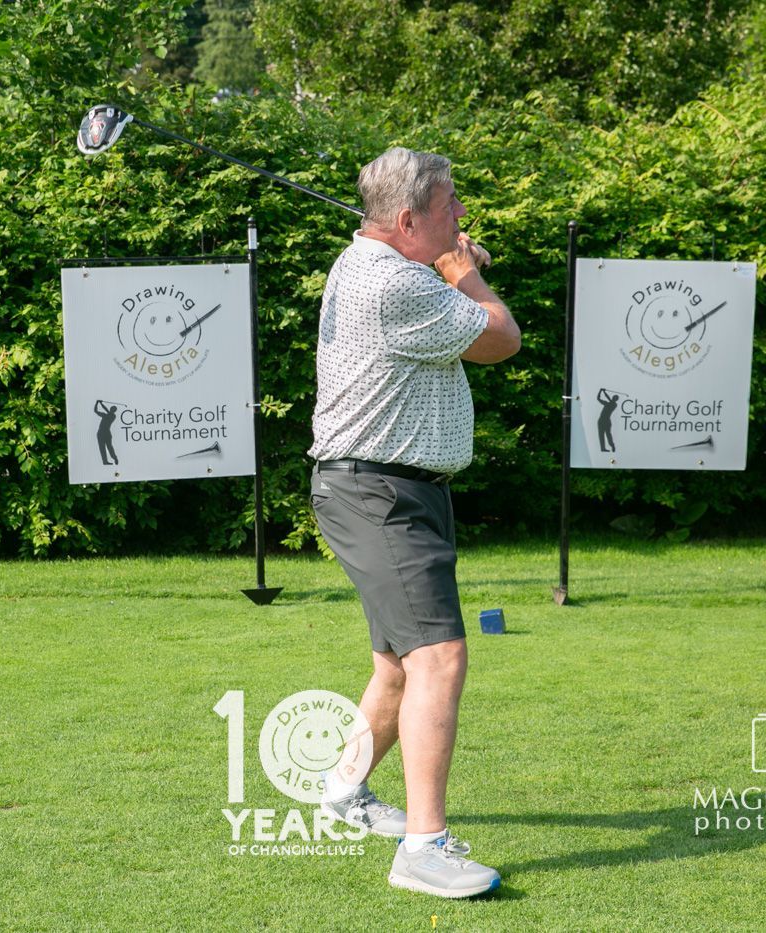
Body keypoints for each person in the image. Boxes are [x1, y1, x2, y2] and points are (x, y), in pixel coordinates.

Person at [308, 147, 521, 899]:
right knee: (440, 657)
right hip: (382, 494)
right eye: (449, 204)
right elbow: (501, 338)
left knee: (399, 664)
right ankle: (424, 849)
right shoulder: (398, 284)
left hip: (384, 488)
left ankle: (344, 790)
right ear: (406, 219)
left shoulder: (369, 262)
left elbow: (450, 295)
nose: (461, 213)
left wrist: (447, 265)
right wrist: (464, 274)